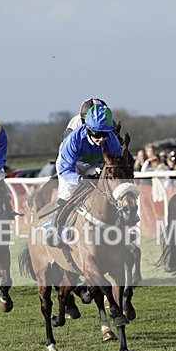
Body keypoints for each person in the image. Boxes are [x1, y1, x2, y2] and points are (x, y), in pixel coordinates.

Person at [43, 104, 123, 246]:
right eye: (97, 134)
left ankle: (122, 226)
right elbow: (65, 170)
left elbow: (115, 163)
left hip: (95, 165)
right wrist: (80, 179)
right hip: (72, 166)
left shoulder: (112, 140)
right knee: (68, 192)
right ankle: (54, 228)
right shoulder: (74, 140)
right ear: (88, 129)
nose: (101, 139)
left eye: (105, 134)